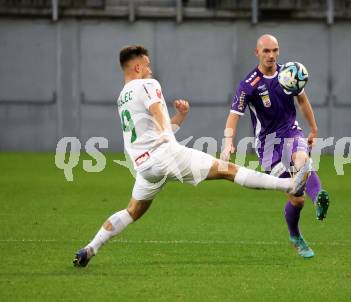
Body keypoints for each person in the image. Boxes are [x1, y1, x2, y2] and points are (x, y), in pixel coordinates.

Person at [73, 45, 312, 267]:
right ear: (137, 67)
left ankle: (90, 248)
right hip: (165, 155)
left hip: (144, 166)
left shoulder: (122, 98)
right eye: (147, 65)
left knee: (132, 211)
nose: (150, 69)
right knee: (227, 170)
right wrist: (168, 133)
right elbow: (158, 114)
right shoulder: (148, 84)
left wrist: (179, 118)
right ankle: (289, 185)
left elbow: (151, 131)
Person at [221, 34, 330, 258]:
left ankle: (319, 197)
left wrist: (314, 129)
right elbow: (234, 116)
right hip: (268, 146)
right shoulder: (248, 85)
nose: (271, 55)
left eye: (275, 50)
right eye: (266, 51)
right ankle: (295, 235)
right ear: (257, 52)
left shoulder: (289, 74)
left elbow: (302, 100)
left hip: (291, 131)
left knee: (302, 159)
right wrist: (227, 142)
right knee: (296, 198)